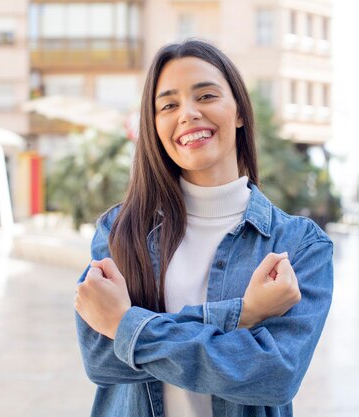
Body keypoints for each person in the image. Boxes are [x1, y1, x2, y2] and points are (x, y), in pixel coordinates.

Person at [74, 39, 334, 417]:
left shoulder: (298, 244)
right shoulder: (119, 229)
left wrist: (125, 325)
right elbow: (101, 361)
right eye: (168, 105)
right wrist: (241, 316)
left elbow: (275, 376)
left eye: (206, 95)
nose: (188, 114)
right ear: (155, 125)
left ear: (240, 111)